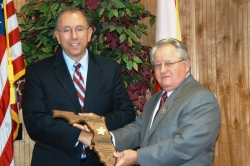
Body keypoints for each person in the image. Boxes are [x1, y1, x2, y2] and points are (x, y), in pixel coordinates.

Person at [22, 7, 135, 166]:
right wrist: (78, 134)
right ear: (58, 36)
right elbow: (35, 120)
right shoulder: (38, 72)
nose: (74, 36)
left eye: (79, 29)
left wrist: (94, 125)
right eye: (66, 30)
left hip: (100, 161)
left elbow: (127, 113)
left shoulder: (110, 69)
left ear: (89, 33)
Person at [111, 38, 221, 166]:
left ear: (186, 65)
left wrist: (138, 157)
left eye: (169, 63)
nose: (162, 70)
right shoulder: (155, 99)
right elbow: (139, 130)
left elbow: (184, 146)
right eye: (158, 65)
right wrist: (106, 138)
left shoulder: (201, 99)